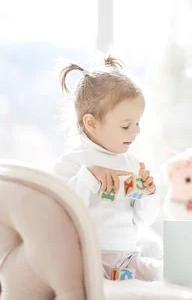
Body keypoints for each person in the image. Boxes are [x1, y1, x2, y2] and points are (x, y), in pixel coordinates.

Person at [53, 56, 161, 281]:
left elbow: (144, 220)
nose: (136, 131)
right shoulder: (72, 163)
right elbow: (62, 214)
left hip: (127, 258)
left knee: (165, 274)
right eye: (126, 125)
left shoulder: (131, 163)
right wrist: (88, 176)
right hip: (87, 258)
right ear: (91, 123)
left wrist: (149, 195)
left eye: (138, 123)